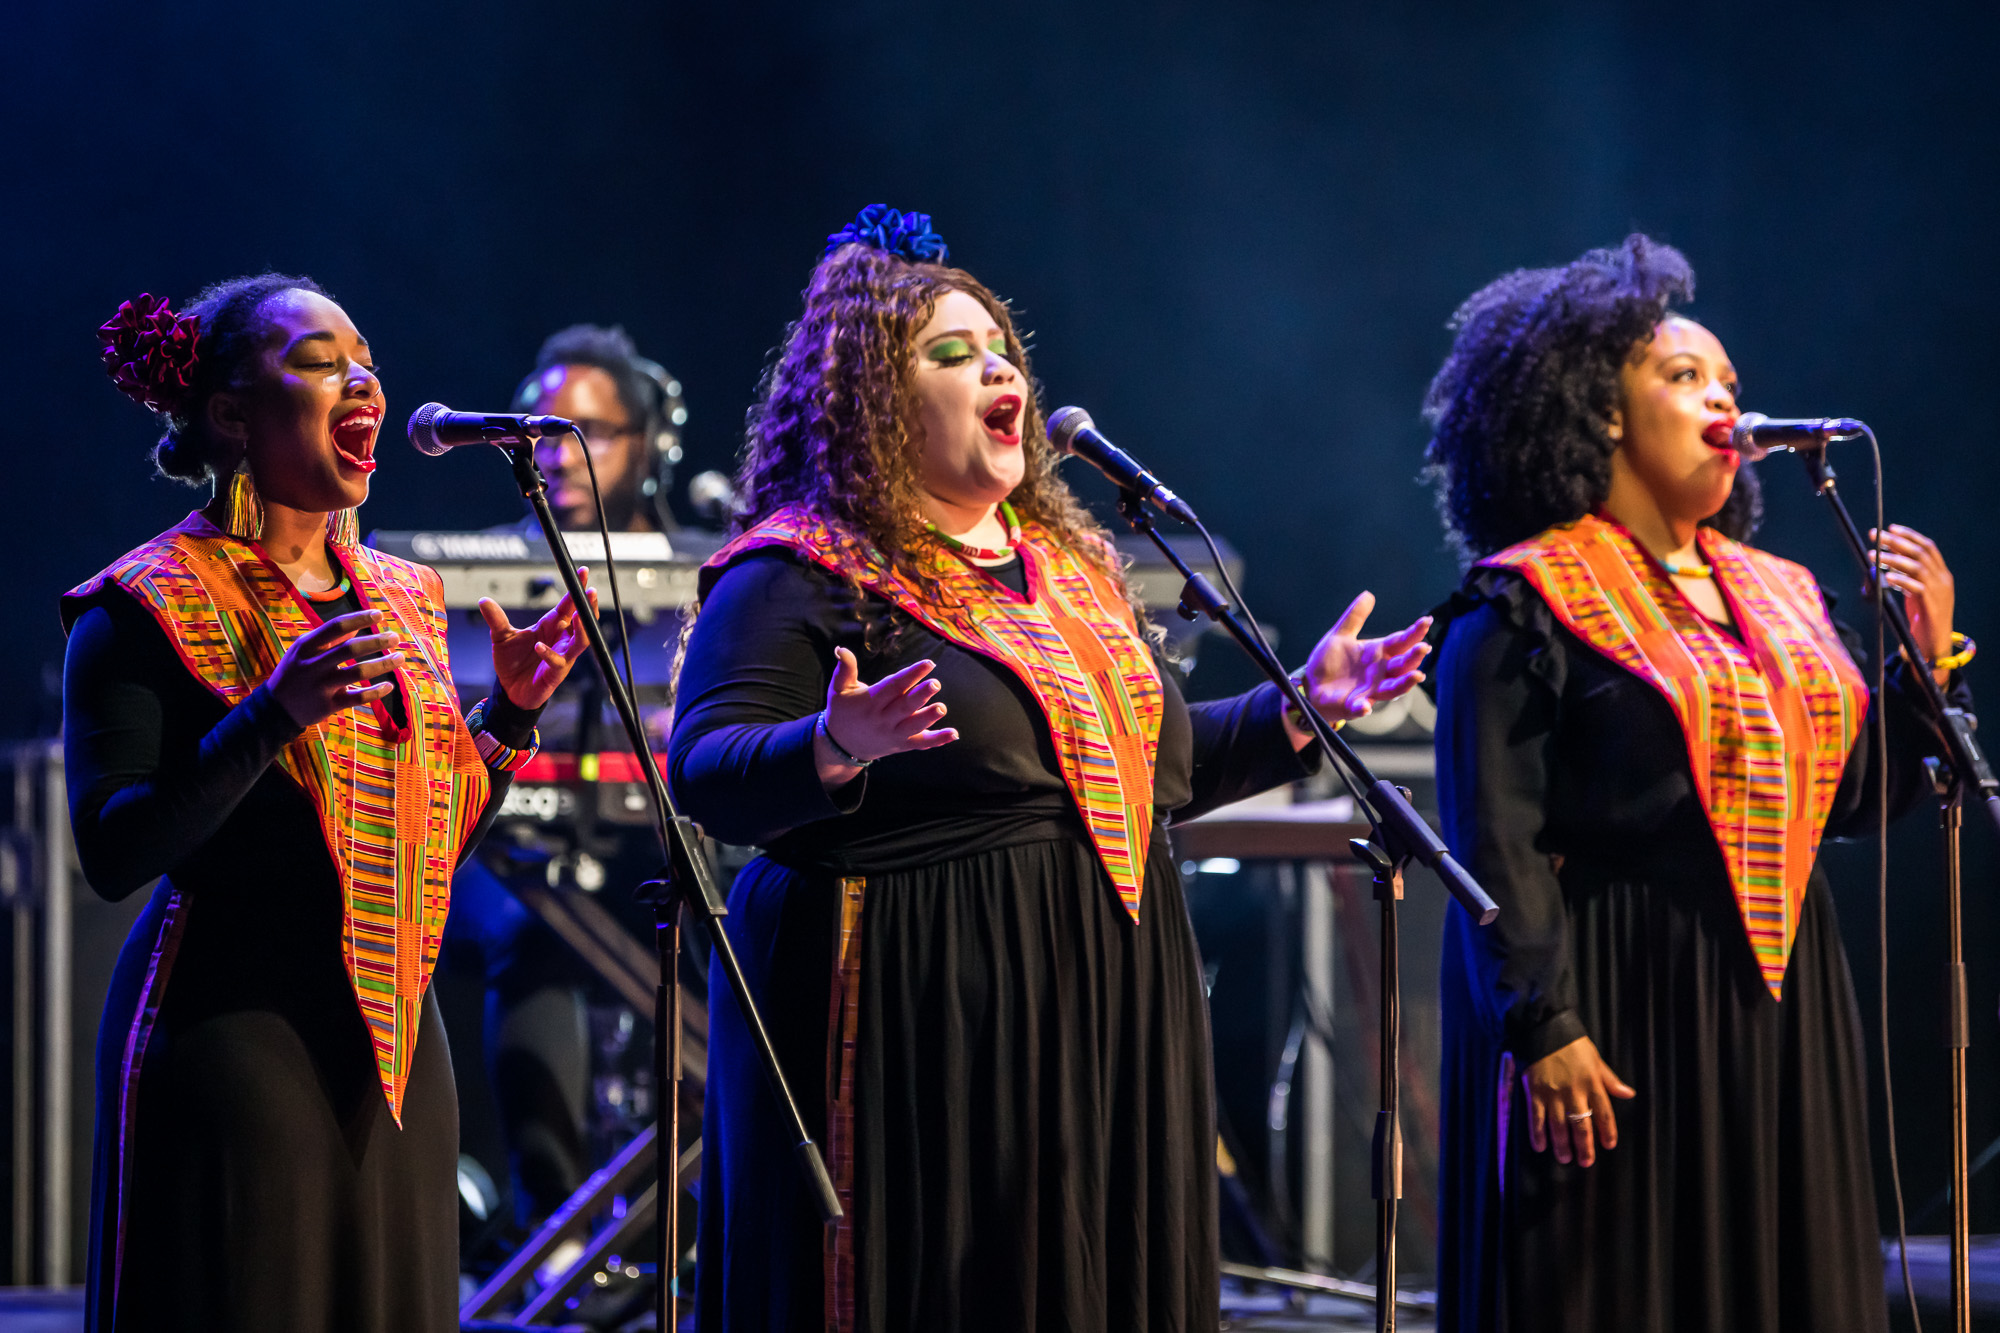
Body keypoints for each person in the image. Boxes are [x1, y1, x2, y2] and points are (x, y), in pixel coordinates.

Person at [668, 206, 1434, 1332]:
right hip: (915, 1012)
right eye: (949, 352)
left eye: (1001, 352)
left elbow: (1146, 779)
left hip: (1101, 1003)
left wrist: (1298, 710)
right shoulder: (801, 570)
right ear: (873, 401)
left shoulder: (1069, 574)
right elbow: (705, 767)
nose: (994, 368)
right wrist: (834, 744)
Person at [1421, 235, 1970, 1333]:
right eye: (1683, 376)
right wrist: (1543, 1021)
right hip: (1611, 986)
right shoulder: (1522, 603)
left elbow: (1854, 798)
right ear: (1598, 411)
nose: (1722, 398)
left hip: (1771, 998)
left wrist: (1922, 654)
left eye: (1729, 381)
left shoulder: (1779, 594)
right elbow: (1492, 836)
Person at [65, 275, 597, 1333]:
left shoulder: (400, 595)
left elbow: (425, 837)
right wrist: (271, 713)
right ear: (229, 414)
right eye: (316, 360)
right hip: (236, 1035)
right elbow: (117, 849)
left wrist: (511, 719)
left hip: (396, 1043)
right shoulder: (141, 605)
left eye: (365, 358)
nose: (362, 381)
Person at [512, 322, 686, 533]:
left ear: (645, 447)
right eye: (543, 436)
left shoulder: (709, 563)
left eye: (592, 433)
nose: (563, 459)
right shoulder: (485, 563)